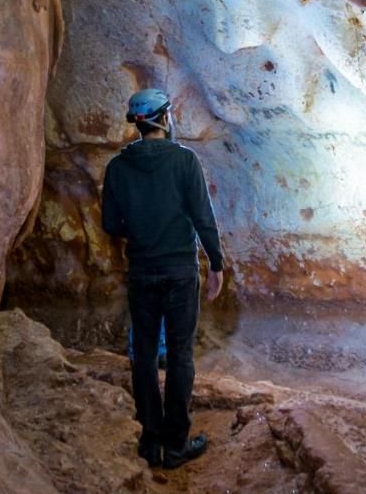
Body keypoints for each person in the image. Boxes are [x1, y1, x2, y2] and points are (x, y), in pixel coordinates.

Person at [100, 88, 225, 470]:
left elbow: (110, 223)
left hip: (141, 271)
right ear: (165, 119)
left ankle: (149, 440)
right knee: (181, 355)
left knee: (144, 355)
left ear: (137, 125)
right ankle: (176, 444)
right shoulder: (185, 162)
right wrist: (216, 264)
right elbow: (203, 217)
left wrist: (140, 227)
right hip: (180, 273)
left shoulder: (118, 168)